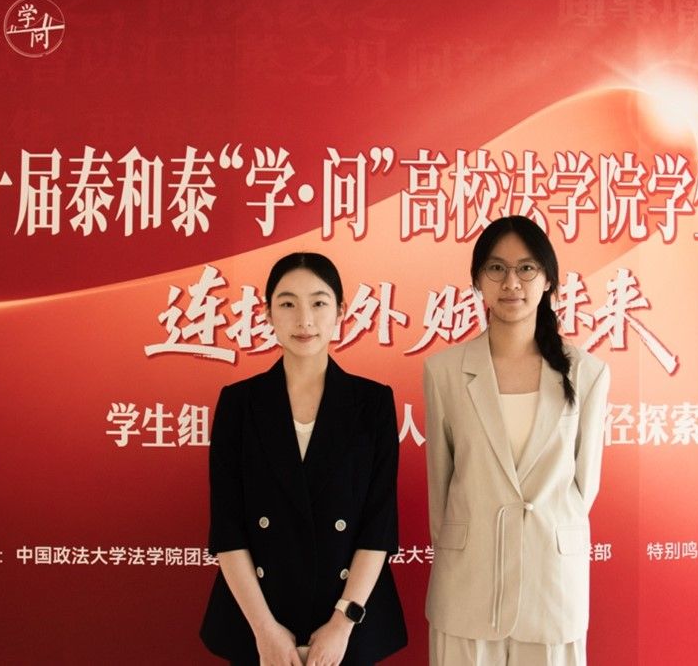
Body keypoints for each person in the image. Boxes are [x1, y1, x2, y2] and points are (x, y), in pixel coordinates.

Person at [200, 252, 407, 666]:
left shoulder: (372, 403)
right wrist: (265, 631)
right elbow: (228, 528)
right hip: (257, 621)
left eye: (318, 302)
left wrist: (342, 624)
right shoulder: (239, 403)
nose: (304, 320)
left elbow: (378, 526)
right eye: (288, 303)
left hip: (349, 623)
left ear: (341, 312)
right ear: (267, 313)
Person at [423, 216, 610, 665]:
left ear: (548, 280)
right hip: (467, 583)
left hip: (551, 583)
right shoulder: (444, 372)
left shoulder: (587, 372)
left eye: (526, 268)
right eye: (496, 268)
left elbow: (583, 489)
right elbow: (440, 489)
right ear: (477, 280)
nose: (511, 283)